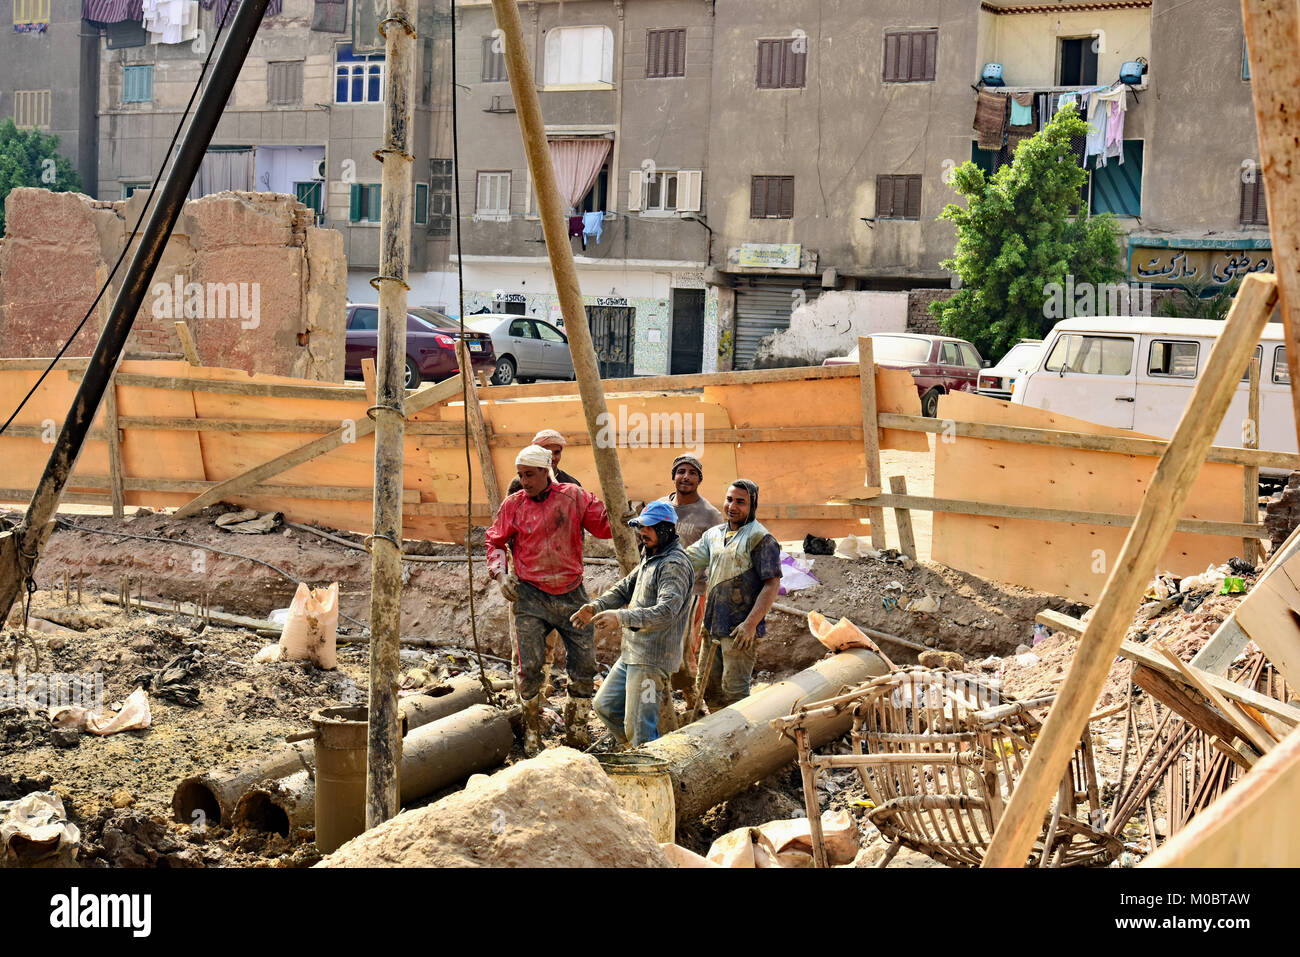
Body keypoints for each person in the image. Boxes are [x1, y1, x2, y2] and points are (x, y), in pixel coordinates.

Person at [486, 443, 612, 755]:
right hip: (530, 596)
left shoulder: (574, 496)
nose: (524, 480)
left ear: (546, 472)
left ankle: (577, 732)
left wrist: (626, 517)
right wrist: (501, 576)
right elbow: (495, 541)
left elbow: (605, 528)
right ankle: (532, 734)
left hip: (572, 594)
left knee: (584, 665)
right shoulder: (513, 505)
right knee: (529, 666)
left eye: (530, 474)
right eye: (520, 475)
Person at [571, 500, 694, 748]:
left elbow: (667, 611)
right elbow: (625, 587)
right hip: (634, 653)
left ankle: (650, 769)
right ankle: (635, 754)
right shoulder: (652, 556)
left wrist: (621, 617)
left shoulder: (674, 564)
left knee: (639, 728)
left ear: (666, 529)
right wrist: (595, 606)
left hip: (652, 659)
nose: (642, 532)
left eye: (648, 528)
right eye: (641, 527)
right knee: (604, 706)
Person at [685, 480, 782, 710]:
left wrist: (750, 625)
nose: (733, 506)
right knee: (709, 688)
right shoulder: (714, 535)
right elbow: (687, 560)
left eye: (741, 502)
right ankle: (719, 738)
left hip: (740, 631)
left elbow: (771, 585)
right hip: (712, 625)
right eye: (729, 499)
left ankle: (738, 741)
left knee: (735, 693)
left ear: (752, 505)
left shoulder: (761, 538)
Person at [657, 455, 723, 707]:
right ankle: (661, 700)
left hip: (692, 592)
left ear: (699, 479)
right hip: (659, 589)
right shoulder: (660, 507)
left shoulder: (710, 515)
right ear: (673, 476)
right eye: (681, 471)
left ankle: (692, 699)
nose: (686, 477)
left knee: (685, 648)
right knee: (658, 644)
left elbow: (718, 554)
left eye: (692, 473)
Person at [506, 428, 581, 494]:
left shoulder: (571, 483)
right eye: (547, 453)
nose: (553, 458)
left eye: (556, 452)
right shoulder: (520, 484)